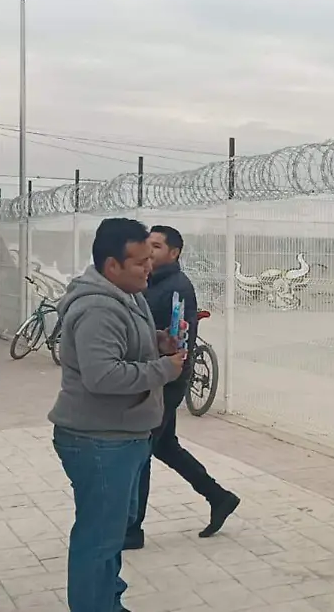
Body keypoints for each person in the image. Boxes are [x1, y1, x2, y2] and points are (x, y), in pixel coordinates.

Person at [48, 217, 185, 612]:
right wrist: (164, 369)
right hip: (98, 440)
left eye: (149, 258)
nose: (149, 267)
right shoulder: (97, 308)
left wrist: (158, 341)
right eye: (140, 261)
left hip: (123, 435)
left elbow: (125, 348)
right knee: (98, 539)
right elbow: (102, 374)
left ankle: (108, 602)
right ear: (112, 266)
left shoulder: (129, 294)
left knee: (109, 536)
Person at [125, 225, 240, 549]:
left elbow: (179, 337)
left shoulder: (176, 287)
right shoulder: (151, 283)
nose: (150, 251)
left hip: (166, 380)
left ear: (174, 253)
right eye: (148, 245)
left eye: (157, 246)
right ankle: (219, 497)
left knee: (142, 451)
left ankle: (132, 529)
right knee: (164, 446)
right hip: (156, 376)